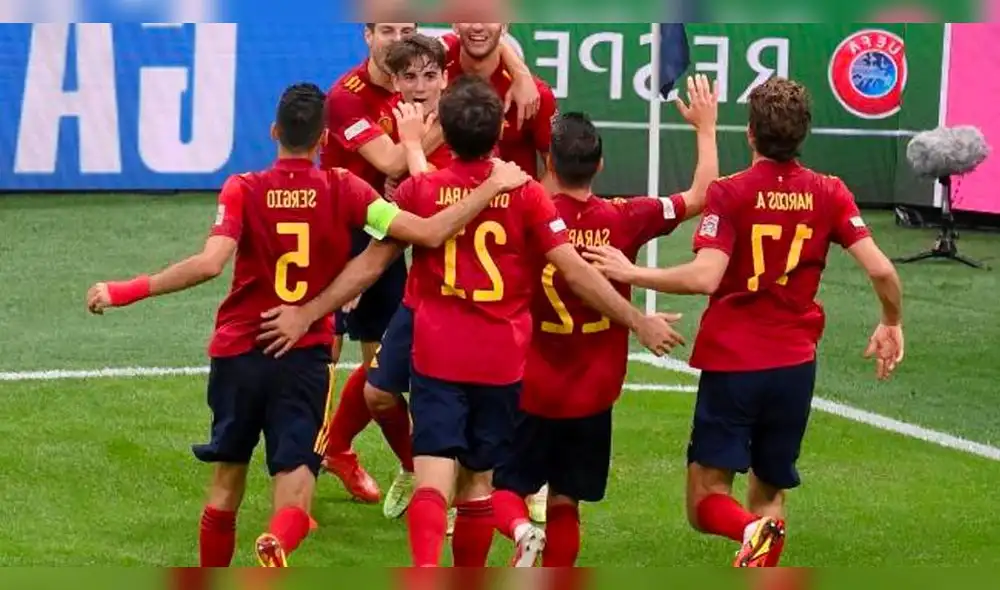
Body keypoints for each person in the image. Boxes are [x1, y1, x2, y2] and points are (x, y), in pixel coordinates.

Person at [85, 82, 533, 568]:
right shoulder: (346, 189)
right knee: (295, 500)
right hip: (303, 356)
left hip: (239, 350)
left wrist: (125, 290)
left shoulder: (242, 188)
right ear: (323, 139)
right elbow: (426, 231)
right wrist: (489, 188)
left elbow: (210, 263)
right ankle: (278, 540)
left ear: (275, 131)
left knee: (224, 484)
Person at [254, 75, 685, 568]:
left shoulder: (421, 189)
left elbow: (371, 264)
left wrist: (311, 310)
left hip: (439, 352)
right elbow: (575, 270)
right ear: (500, 132)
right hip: (502, 360)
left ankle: (423, 571)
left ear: (445, 133)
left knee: (434, 478)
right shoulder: (527, 195)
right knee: (479, 482)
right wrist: (637, 320)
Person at [583, 76, 905, 568]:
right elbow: (882, 269)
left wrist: (632, 270)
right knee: (770, 488)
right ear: (803, 134)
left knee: (706, 497)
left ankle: (748, 530)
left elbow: (706, 277)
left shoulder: (732, 193)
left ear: (751, 133)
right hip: (795, 365)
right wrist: (891, 321)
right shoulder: (830, 192)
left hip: (736, 363)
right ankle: (761, 534)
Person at [491, 74, 720, 567]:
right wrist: (705, 126)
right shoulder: (626, 217)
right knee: (566, 500)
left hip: (531, 385)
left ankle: (519, 529)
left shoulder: (524, 216)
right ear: (600, 163)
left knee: (500, 487)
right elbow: (702, 194)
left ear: (548, 161)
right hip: (594, 391)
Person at [320, 22, 542, 505]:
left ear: (445, 76)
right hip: (408, 267)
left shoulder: (466, 126)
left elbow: (484, 31)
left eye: (428, 76)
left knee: (462, 409)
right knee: (378, 390)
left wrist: (519, 71)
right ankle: (409, 466)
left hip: (466, 299)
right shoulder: (355, 100)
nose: (419, 86)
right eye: (410, 78)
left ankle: (488, 491)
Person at [440, 20, 559, 523]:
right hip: (447, 234)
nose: (477, 24)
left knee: (524, 357)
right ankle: (440, 477)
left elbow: (553, 167)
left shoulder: (536, 96)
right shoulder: (436, 67)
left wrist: (542, 227)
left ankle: (527, 477)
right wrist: (518, 62)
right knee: (438, 363)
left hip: (516, 247)